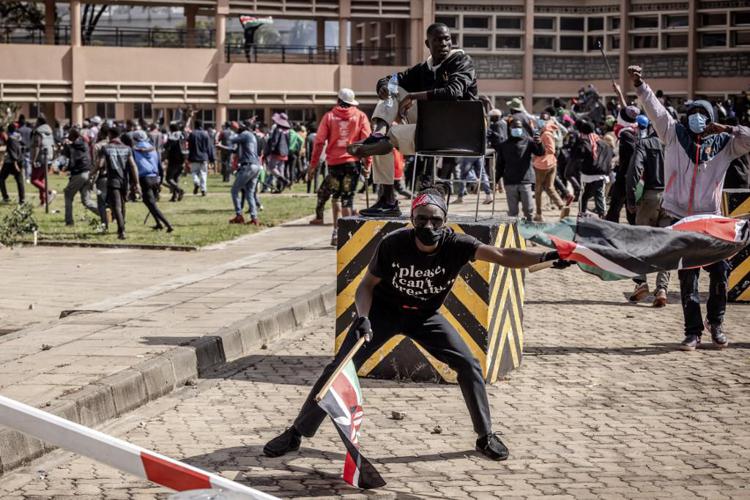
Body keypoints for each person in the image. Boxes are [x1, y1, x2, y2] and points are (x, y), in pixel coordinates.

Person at [263, 188, 568, 462]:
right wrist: (363, 318)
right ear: (412, 219)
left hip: (425, 316)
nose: (428, 226)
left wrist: (547, 257)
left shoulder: (457, 244)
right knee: (339, 367)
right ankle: (296, 433)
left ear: (445, 221)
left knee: (469, 365)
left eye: (435, 220)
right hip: (384, 312)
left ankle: (485, 436)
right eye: (421, 219)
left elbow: (503, 255)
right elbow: (366, 286)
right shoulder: (393, 243)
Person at [629, 64, 750, 350]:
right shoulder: (672, 135)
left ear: (711, 119)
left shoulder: (725, 143)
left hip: (712, 222)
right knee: (688, 279)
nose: (697, 119)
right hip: (680, 220)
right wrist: (640, 85)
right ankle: (693, 331)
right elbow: (656, 110)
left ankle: (716, 323)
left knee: (721, 272)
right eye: (692, 114)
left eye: (702, 115)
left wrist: (729, 128)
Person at [347, 23, 478, 217]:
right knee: (393, 89)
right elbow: (395, 78)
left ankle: (380, 141)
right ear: (427, 43)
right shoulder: (425, 68)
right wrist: (383, 85)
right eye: (437, 39)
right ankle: (387, 197)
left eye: (446, 39)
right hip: (429, 129)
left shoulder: (461, 61)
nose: (443, 43)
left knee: (388, 140)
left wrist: (414, 96)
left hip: (456, 131)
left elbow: (454, 91)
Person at [308, 88, 372, 245]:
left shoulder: (329, 117)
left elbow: (319, 141)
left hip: (334, 164)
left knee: (336, 196)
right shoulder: (360, 116)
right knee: (348, 198)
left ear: (338, 101)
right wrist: (367, 163)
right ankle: (347, 233)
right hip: (352, 163)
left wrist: (313, 164)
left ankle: (336, 231)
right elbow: (367, 141)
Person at [625, 115, 670, 307]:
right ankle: (662, 289)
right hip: (672, 200)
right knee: (666, 246)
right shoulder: (677, 143)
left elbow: (634, 170)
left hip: (650, 197)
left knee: (639, 241)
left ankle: (641, 283)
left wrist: (631, 198)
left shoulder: (645, 143)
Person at [91, 126, 141, 240]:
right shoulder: (127, 148)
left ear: (109, 134)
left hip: (113, 179)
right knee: (122, 204)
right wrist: (137, 183)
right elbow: (133, 166)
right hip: (124, 180)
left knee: (116, 206)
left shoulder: (106, 148)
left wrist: (91, 173)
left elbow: (100, 164)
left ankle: (121, 230)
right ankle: (122, 227)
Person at [496, 118, 542, 221]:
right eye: (514, 127)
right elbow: (500, 165)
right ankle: (514, 233)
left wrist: (539, 143)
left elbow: (540, 153)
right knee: (513, 213)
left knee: (528, 210)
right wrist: (496, 180)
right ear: (510, 128)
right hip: (510, 182)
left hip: (525, 180)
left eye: (519, 127)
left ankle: (529, 230)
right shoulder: (504, 145)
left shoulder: (529, 141)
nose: (517, 129)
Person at [567, 120, 613, 218]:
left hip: (588, 174)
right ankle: (603, 214)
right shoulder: (603, 143)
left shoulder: (583, 142)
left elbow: (576, 156)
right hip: (601, 174)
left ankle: (582, 213)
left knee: (584, 195)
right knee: (599, 194)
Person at [605, 103, 640, 224]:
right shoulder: (633, 132)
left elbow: (632, 156)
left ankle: (609, 233)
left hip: (625, 176)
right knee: (629, 209)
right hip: (630, 176)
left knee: (614, 208)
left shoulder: (626, 135)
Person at [132, 130, 173, 233]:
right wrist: (160, 179)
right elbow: (159, 165)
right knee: (149, 202)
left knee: (152, 205)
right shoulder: (153, 149)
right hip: (155, 177)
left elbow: (133, 166)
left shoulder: (134, 149)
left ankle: (168, 225)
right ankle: (158, 224)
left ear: (135, 138)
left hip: (144, 178)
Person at [61, 127, 99, 226]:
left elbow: (66, 156)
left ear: (73, 136)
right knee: (86, 201)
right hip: (88, 173)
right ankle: (105, 213)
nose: (68, 136)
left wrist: (65, 145)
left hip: (79, 174)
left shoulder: (72, 146)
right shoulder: (84, 143)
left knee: (68, 194)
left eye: (69, 135)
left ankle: (69, 222)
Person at [531, 111, 565, 222]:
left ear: (548, 120)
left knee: (538, 190)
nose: (541, 120)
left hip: (543, 165)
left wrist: (539, 150)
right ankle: (562, 207)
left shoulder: (546, 133)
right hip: (550, 163)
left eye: (543, 119)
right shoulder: (545, 131)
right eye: (540, 118)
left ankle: (539, 214)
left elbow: (551, 149)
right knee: (550, 188)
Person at [228, 120, 262, 225]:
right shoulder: (251, 136)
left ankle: (239, 215)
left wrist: (233, 131)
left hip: (248, 166)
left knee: (234, 190)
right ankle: (254, 218)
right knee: (250, 193)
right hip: (256, 165)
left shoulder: (244, 134)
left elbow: (231, 140)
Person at [30, 114, 57, 206]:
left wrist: (33, 160)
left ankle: (50, 192)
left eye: (36, 121)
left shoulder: (38, 131)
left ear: (39, 122)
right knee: (40, 180)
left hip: (40, 158)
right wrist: (53, 158)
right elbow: (53, 145)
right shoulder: (50, 131)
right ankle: (43, 201)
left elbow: (37, 146)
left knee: (34, 180)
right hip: (49, 157)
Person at [263, 113, 293, 193]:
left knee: (271, 167)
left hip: (277, 151)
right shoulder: (288, 130)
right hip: (285, 152)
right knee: (281, 169)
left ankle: (283, 180)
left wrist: (269, 150)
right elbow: (289, 141)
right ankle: (280, 188)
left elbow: (274, 141)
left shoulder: (277, 129)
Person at [0, 124, 25, 204]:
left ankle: (6, 197)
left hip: (11, 163)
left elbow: (12, 152)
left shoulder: (11, 139)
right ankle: (22, 200)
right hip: (19, 161)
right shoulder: (18, 138)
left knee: (1, 179)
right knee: (19, 181)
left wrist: (15, 163)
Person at [188, 120, 213, 196]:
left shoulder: (192, 134)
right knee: (203, 173)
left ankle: (196, 182)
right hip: (203, 157)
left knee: (194, 172)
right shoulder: (206, 134)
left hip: (194, 157)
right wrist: (212, 158)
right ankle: (203, 189)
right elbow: (209, 147)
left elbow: (189, 146)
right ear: (202, 125)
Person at [164, 123, 186, 202]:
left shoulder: (172, 136)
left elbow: (166, 146)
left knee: (168, 178)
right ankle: (175, 196)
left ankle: (179, 190)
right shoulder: (182, 135)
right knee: (176, 178)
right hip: (182, 159)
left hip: (173, 160)